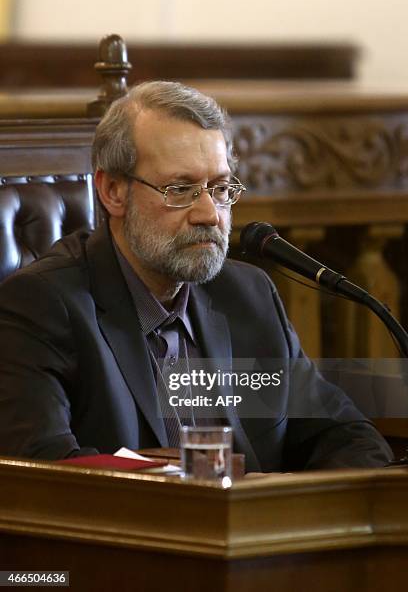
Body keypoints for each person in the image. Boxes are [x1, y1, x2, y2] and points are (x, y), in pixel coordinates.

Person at [0, 81, 393, 471]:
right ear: (113, 192)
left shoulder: (245, 295)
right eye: (180, 188)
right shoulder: (43, 307)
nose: (209, 214)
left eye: (220, 188)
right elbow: (47, 473)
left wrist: (306, 521)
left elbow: (344, 434)